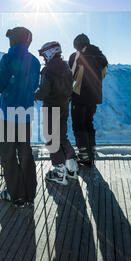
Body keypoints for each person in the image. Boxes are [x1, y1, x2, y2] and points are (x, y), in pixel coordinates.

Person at [0, 27, 40, 208]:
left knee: (8, 152)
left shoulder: (8, 58)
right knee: (24, 150)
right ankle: (29, 193)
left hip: (8, 113)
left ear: (13, 40)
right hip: (26, 113)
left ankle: (16, 195)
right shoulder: (34, 61)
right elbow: (35, 85)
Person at [35, 41, 78, 185]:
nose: (43, 58)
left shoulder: (48, 70)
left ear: (49, 52)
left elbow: (44, 92)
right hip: (64, 106)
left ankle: (60, 173)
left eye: (44, 54)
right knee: (62, 137)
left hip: (52, 107)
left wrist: (35, 94)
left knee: (52, 139)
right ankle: (71, 169)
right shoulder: (66, 66)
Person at [68, 34, 108, 167]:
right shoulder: (101, 57)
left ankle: (85, 158)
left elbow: (71, 75)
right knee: (88, 123)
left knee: (78, 126)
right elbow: (103, 75)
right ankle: (91, 152)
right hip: (94, 97)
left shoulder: (76, 56)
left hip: (79, 96)